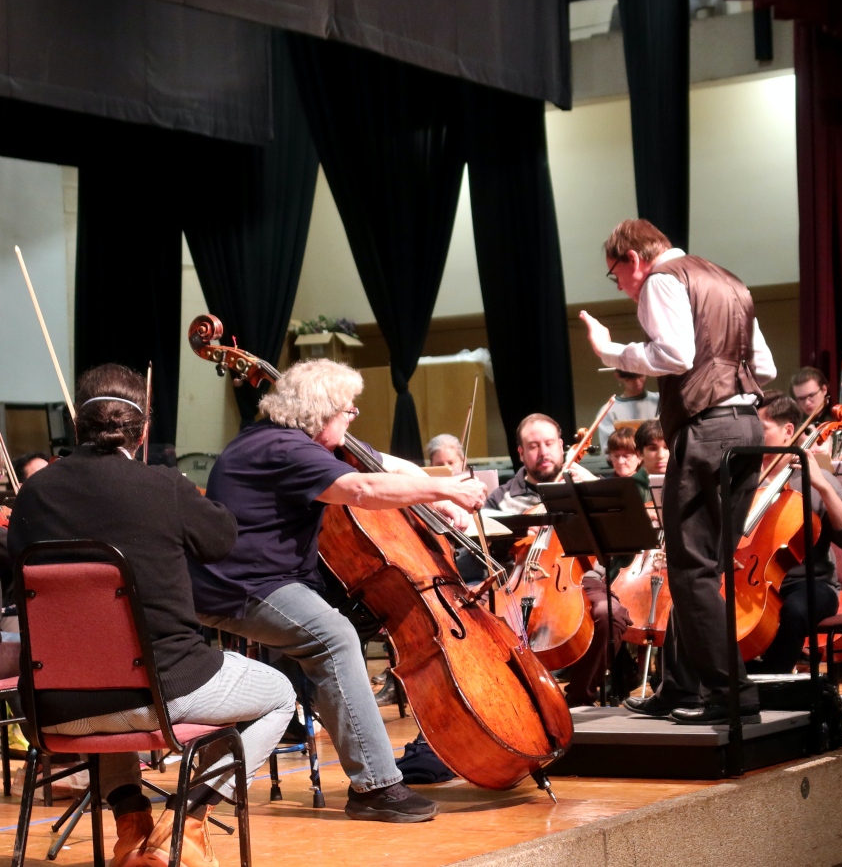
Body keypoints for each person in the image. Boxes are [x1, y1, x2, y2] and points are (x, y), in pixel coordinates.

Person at [6, 364, 295, 867]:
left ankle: (131, 822)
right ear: (141, 433)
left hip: (56, 707)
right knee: (281, 697)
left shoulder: (34, 493)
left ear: (78, 427)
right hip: (165, 691)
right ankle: (189, 817)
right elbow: (222, 539)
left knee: (101, 667)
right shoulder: (163, 486)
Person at [189, 358, 489, 824]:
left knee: (352, 622)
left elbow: (383, 464)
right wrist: (445, 492)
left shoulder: (281, 439)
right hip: (243, 588)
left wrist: (434, 492)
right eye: (348, 410)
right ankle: (375, 787)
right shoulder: (284, 448)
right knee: (334, 635)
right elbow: (364, 487)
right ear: (322, 410)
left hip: (268, 581)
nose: (353, 418)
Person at [579, 218, 776, 725]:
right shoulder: (729, 281)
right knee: (701, 567)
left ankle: (728, 694)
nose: (620, 285)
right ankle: (679, 686)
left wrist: (609, 350)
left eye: (615, 274)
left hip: (708, 432)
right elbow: (766, 367)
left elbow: (675, 354)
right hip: (748, 427)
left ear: (633, 259)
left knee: (689, 570)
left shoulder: (662, 281)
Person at [483, 414, 627, 707]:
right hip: (518, 580)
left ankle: (580, 698)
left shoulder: (586, 486)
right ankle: (514, 700)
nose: (543, 452)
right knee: (481, 622)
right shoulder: (501, 497)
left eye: (549, 444)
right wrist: (518, 531)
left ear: (562, 446)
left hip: (577, 579)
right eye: (533, 446)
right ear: (521, 452)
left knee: (609, 614)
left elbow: (617, 548)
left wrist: (596, 494)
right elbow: (482, 554)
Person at [745, 394, 842, 675]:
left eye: (761, 430)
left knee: (795, 610)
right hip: (753, 580)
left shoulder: (816, 479)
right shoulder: (746, 479)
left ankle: (774, 681)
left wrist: (822, 486)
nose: (753, 437)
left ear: (788, 431)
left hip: (810, 583)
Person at [597, 370, 660, 448]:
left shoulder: (659, 400)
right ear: (618, 376)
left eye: (640, 376)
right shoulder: (609, 410)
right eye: (629, 379)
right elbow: (609, 448)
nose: (637, 382)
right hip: (626, 458)